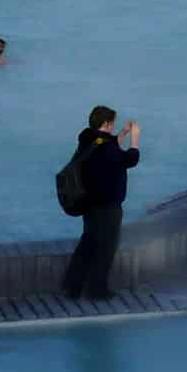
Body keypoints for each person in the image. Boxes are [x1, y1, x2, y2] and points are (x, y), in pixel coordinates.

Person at [62, 107, 141, 302]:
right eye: (113, 124)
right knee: (105, 248)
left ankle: (72, 287)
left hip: (89, 204)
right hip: (107, 206)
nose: (114, 127)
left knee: (87, 244)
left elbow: (106, 145)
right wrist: (135, 141)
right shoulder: (106, 148)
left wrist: (122, 134)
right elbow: (129, 159)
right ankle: (97, 290)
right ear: (106, 124)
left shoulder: (89, 140)